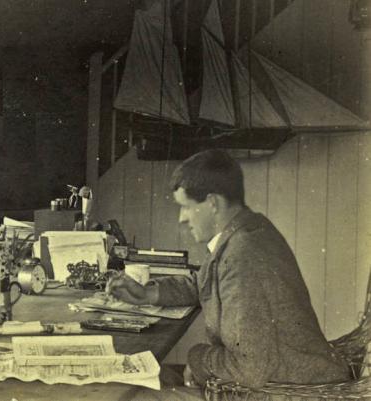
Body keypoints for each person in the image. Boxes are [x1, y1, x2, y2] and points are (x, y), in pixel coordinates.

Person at [106, 149, 351, 390]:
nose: (182, 218)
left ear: (212, 203)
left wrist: (197, 359)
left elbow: (249, 368)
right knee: (141, 380)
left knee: (128, 392)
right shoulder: (248, 230)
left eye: (186, 206)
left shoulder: (242, 254)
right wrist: (147, 294)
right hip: (280, 377)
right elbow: (205, 282)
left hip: (286, 391)